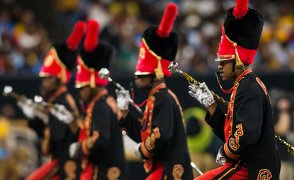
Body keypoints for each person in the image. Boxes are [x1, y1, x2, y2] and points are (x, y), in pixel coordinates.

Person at [187, 0, 281, 179]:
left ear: (237, 58)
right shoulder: (244, 84)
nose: (219, 66)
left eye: (223, 61)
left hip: (251, 168)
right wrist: (212, 107)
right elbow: (233, 133)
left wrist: (225, 151)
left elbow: (247, 133)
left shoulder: (248, 87)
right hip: (245, 163)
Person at [116, 3, 193, 179]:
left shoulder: (163, 99)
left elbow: (162, 136)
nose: (137, 78)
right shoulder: (155, 99)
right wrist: (125, 113)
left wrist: (143, 150)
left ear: (157, 74)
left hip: (169, 172)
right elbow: (144, 135)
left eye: (142, 74)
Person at [19, 21, 86, 179]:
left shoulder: (65, 102)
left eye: (48, 78)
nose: (44, 82)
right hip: (58, 160)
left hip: (67, 165)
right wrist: (35, 118)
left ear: (59, 79)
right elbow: (47, 136)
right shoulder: (54, 101)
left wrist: (45, 117)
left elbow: (60, 139)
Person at [70, 19, 127, 179]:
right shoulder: (107, 100)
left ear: (92, 84)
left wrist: (80, 147)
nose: (80, 93)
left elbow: (101, 141)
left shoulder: (99, 106)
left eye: (82, 88)